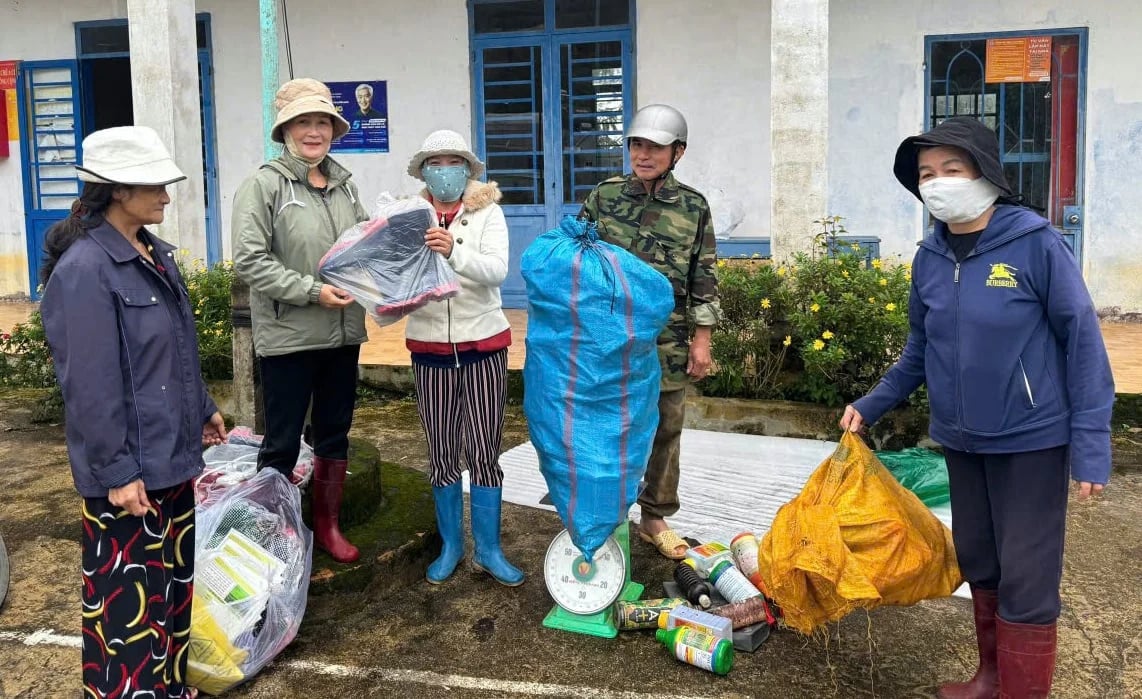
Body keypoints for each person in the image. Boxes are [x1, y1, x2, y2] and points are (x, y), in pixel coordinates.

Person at [840, 116, 1114, 698]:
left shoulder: (1035, 243)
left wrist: (1091, 442)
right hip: (961, 441)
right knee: (981, 563)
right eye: (927, 174)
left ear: (985, 174)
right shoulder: (930, 257)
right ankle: (991, 677)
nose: (937, 183)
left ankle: (1021, 691)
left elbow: (1082, 340)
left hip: (1032, 442)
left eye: (952, 170)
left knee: (1028, 577)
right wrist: (874, 402)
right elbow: (920, 347)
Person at [40, 125, 227, 699]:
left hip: (171, 458)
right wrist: (118, 473)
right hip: (130, 472)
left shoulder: (154, 254)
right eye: (155, 186)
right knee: (126, 612)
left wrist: (203, 407)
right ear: (117, 190)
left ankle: (170, 688)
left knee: (171, 590)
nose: (167, 197)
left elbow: (173, 349)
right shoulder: (85, 270)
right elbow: (90, 387)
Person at [232, 78, 369, 564]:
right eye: (304, 122)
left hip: (343, 332)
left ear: (333, 129)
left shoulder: (345, 185)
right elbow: (250, 260)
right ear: (286, 129)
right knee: (283, 438)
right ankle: (271, 535)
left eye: (323, 122)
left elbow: (364, 244)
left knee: (334, 430)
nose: (314, 132)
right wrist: (313, 292)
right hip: (290, 336)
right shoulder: (264, 185)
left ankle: (326, 525)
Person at [580, 104, 722, 560]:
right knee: (608, 424)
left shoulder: (693, 206)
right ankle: (606, 509)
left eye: (655, 147)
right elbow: (574, 258)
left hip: (668, 338)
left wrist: (702, 340)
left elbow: (705, 275)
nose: (643, 155)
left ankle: (655, 515)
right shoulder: (604, 197)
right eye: (637, 145)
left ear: (677, 152)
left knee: (665, 425)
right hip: (610, 337)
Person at [403, 129, 523, 586]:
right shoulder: (410, 216)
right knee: (441, 449)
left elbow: (496, 271)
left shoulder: (488, 213)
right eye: (436, 162)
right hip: (428, 348)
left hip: (483, 346)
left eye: (454, 162)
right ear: (423, 171)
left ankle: (489, 549)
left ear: (468, 170)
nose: (444, 170)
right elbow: (398, 275)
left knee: (485, 449)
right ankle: (452, 544)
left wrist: (454, 249)